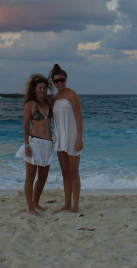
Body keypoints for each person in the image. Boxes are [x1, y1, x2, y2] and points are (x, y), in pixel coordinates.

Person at [15, 74, 53, 216]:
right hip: (34, 143)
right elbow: (25, 126)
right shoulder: (30, 105)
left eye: (44, 88)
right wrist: (26, 145)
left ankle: (36, 203)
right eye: (40, 88)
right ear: (34, 89)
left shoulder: (50, 103)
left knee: (43, 177)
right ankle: (30, 208)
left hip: (48, 144)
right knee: (30, 176)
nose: (42, 90)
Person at [50, 64, 83, 213]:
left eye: (62, 80)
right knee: (65, 173)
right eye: (56, 81)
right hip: (60, 138)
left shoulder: (72, 95)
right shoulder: (54, 98)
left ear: (66, 79)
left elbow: (79, 117)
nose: (59, 83)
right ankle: (67, 204)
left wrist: (79, 139)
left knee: (73, 172)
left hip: (72, 137)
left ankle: (75, 205)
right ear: (53, 82)